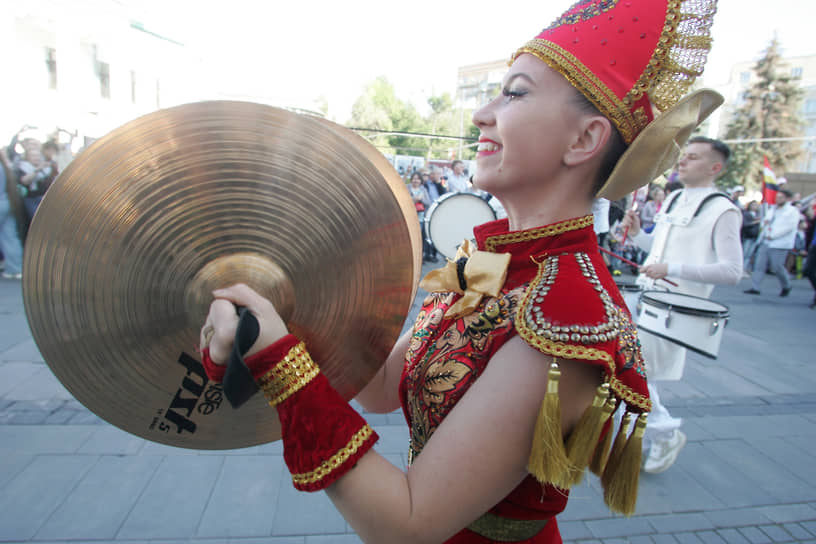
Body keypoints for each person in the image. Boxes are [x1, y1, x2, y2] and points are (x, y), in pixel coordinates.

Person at [197, 1, 719, 541]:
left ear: (584, 140)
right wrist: (275, 304)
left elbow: (407, 524)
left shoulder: (565, 312)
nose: (481, 115)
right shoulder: (489, 259)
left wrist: (278, 360)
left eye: (515, 92)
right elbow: (378, 386)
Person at [622, 136, 742, 474]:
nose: (682, 161)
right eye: (683, 155)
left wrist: (671, 269)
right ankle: (648, 433)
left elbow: (733, 271)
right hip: (648, 296)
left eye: (692, 157)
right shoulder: (673, 198)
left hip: (677, 309)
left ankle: (663, 433)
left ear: (714, 168)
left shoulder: (724, 209)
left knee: (636, 370)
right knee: (632, 367)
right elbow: (655, 250)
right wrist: (636, 235)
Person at [744, 189, 800, 297]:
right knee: (759, 265)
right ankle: (755, 287)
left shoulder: (792, 211)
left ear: (788, 199)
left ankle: (786, 285)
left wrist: (773, 236)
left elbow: (789, 227)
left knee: (777, 266)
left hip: (779, 244)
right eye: (777, 197)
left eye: (781, 197)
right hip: (765, 241)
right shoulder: (772, 209)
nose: (778, 199)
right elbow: (766, 222)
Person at [0, 148, 24, 279]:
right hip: (6, 203)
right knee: (9, 237)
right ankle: (15, 268)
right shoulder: (3, 166)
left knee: (8, 237)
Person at [741, 200, 761, 272]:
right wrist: (755, 221)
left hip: (755, 237)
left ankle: (744, 269)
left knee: (749, 255)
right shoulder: (746, 213)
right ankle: (740, 269)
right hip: (747, 237)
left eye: (756, 205)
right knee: (744, 254)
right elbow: (745, 224)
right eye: (753, 205)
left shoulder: (758, 214)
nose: (755, 206)